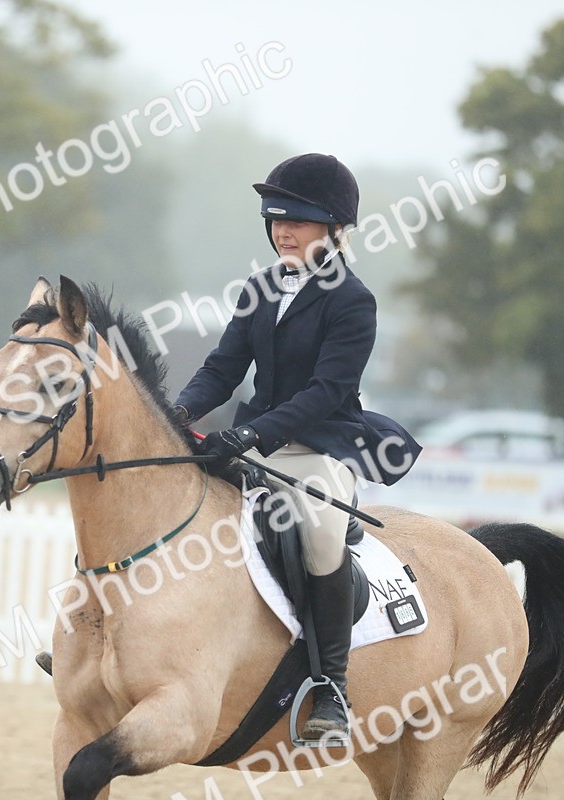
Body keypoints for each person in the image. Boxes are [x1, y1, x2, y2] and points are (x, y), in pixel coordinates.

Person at [172, 153, 421, 740]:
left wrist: (254, 434)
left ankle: (331, 687)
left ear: (336, 229)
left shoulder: (352, 300)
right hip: (252, 440)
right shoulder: (260, 288)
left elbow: (328, 391)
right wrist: (176, 413)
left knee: (320, 530)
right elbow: (222, 368)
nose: (283, 230)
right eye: (276, 218)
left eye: (299, 221)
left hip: (317, 447)